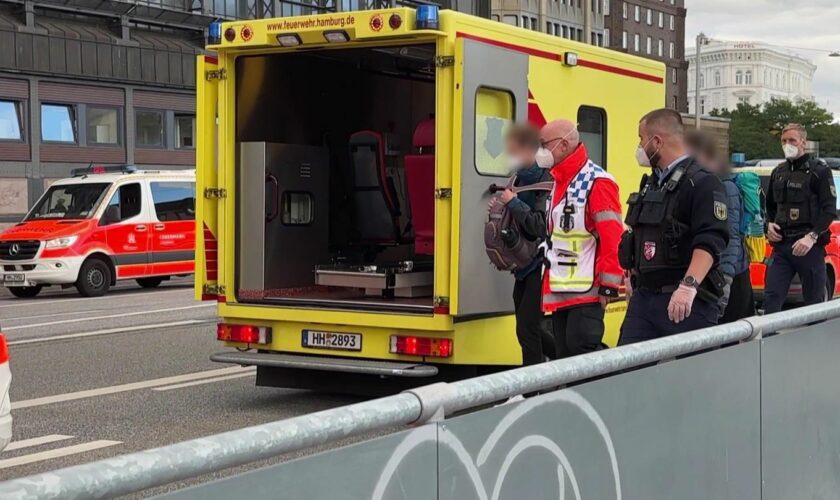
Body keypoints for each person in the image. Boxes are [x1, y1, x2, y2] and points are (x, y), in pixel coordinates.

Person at [618, 109, 729, 344]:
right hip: (645, 299)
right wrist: (632, 278)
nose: (639, 147)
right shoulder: (652, 183)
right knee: (624, 374)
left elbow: (710, 240)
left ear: (656, 141)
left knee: (689, 377)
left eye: (641, 138)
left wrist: (688, 287)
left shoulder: (702, 182)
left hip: (685, 299)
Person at [539, 119, 623, 358]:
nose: (540, 151)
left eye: (544, 144)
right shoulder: (559, 181)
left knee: (583, 352)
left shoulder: (597, 181)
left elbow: (612, 237)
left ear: (563, 145)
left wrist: (608, 286)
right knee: (565, 355)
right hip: (564, 288)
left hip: (588, 290)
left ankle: (605, 392)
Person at [489, 123, 555, 366]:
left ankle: (531, 388)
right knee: (527, 328)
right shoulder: (517, 178)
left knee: (528, 329)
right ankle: (567, 364)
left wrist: (514, 204)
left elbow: (539, 225)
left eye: (514, 151)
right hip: (522, 264)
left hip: (539, 263)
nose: (511, 156)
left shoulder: (546, 180)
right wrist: (501, 209)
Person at [763, 123, 837, 314]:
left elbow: (829, 210)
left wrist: (811, 237)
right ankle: (771, 342)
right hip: (782, 246)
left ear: (803, 142)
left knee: (814, 303)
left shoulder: (819, 171)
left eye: (792, 140)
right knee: (771, 298)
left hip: (808, 246)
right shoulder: (778, 172)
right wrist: (768, 226)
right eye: (784, 141)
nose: (787, 144)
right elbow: (770, 206)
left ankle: (813, 342)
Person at [685, 130, 755, 322]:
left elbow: (729, 239)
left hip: (731, 277)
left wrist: (725, 285)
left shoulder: (725, 187)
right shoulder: (700, 183)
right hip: (715, 275)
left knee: (730, 337)